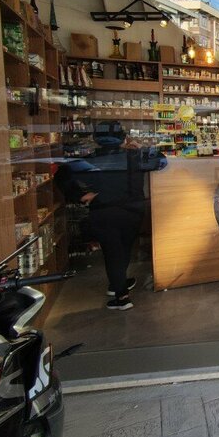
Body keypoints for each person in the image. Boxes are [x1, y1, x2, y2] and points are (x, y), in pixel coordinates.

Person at [55, 121, 165, 311]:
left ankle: (120, 292)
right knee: (124, 248)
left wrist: (80, 196)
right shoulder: (134, 156)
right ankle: (120, 290)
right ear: (123, 138)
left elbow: (61, 176)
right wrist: (140, 147)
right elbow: (161, 161)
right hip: (132, 211)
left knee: (112, 251)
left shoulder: (90, 159)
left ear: (96, 139)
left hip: (103, 211)